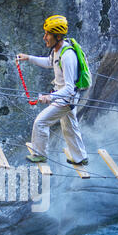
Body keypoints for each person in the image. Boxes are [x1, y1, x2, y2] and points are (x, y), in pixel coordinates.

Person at [17, 14, 88, 166]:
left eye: (48, 34)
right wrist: (28, 58)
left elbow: (69, 88)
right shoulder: (58, 50)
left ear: (57, 36)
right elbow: (49, 62)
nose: (45, 37)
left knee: (40, 122)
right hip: (65, 97)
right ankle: (80, 157)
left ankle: (40, 154)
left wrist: (51, 97)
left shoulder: (67, 56)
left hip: (66, 98)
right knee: (70, 128)